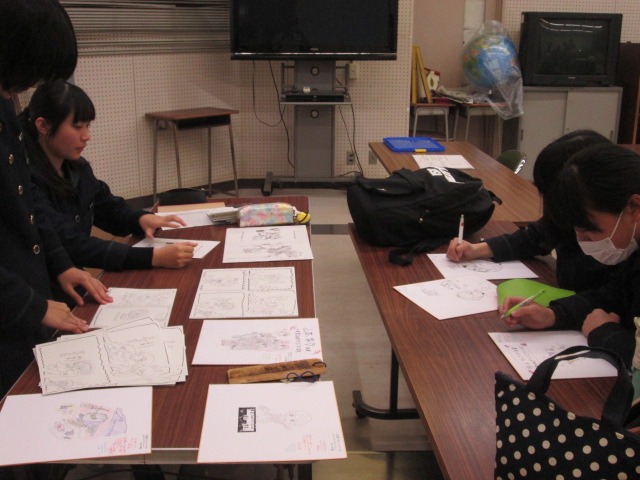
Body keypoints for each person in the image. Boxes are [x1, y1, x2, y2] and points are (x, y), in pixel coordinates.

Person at [0, 0, 114, 401]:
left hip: (26, 295)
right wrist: (29, 305)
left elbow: (25, 202)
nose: (28, 87)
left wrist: (61, 264)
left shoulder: (5, 104)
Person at [21, 79, 196, 272]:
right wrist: (152, 257)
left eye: (88, 126)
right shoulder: (25, 179)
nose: (86, 136)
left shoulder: (77, 167)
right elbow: (69, 243)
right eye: (77, 127)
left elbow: (107, 207)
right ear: (43, 126)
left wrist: (140, 219)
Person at [499, 143, 640, 369]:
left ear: (633, 207)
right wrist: (551, 315)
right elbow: (611, 296)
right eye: (576, 229)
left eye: (590, 230)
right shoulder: (631, 249)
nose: (583, 240)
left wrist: (605, 334)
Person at [446, 130, 615, 292]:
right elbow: (536, 236)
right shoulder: (567, 218)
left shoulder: (617, 245)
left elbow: (609, 298)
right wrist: (478, 249)